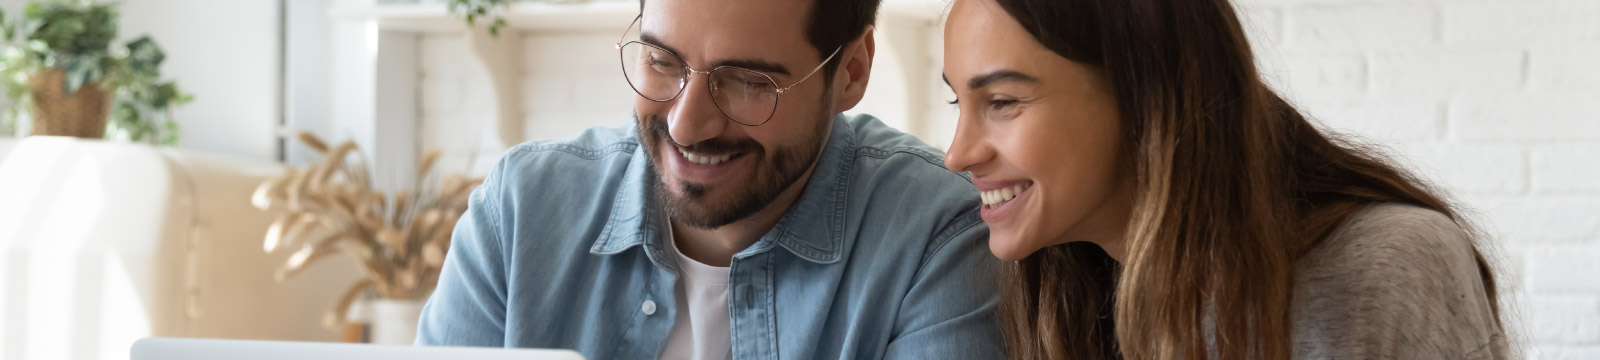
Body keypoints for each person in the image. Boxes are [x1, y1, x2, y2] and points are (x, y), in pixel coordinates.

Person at [415, 0, 1004, 358]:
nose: (686, 123)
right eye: (661, 62)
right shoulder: (520, 210)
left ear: (851, 72)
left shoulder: (937, 236)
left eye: (748, 81)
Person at [939, 0, 1510, 359]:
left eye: (1003, 101)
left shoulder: (1387, 267)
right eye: (957, 101)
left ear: (1147, 95)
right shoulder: (1057, 294)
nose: (957, 154)